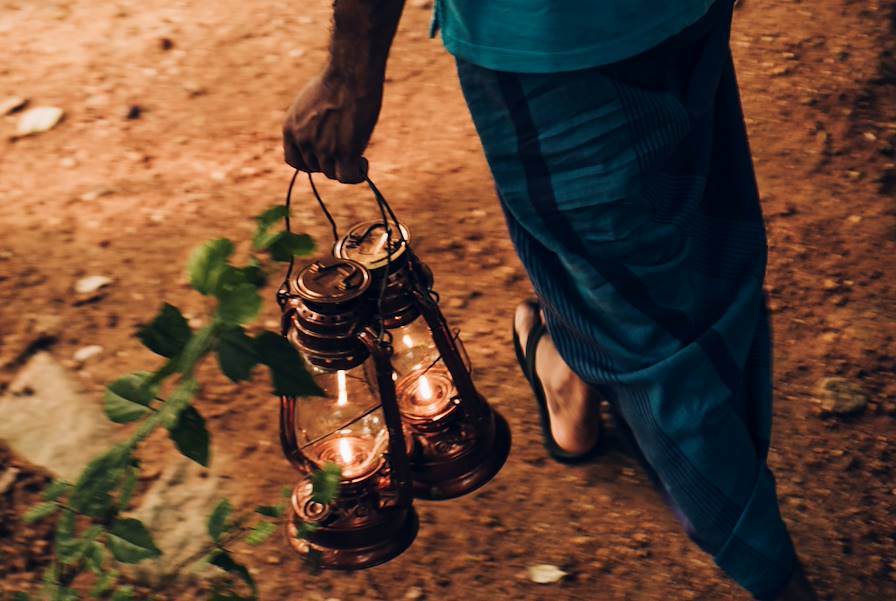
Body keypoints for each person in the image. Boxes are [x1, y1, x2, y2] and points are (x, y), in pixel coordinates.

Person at [281, 1, 818, 599]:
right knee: (655, 332)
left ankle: (568, 369)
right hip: (557, 43)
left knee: (704, 253)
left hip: (664, 19)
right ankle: (776, 575)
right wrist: (351, 75)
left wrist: (349, 78)